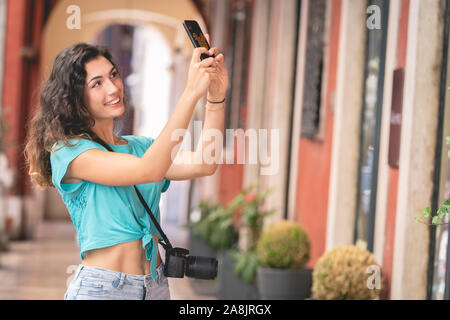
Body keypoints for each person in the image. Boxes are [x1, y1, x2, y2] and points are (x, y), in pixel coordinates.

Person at [24, 37, 228, 300]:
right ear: (74, 99)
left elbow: (205, 162)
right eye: (97, 83)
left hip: (155, 286)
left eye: (113, 75)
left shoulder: (141, 147)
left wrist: (216, 97)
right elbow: (148, 171)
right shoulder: (70, 152)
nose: (113, 88)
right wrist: (190, 93)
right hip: (103, 289)